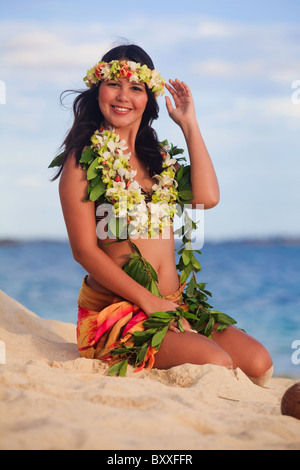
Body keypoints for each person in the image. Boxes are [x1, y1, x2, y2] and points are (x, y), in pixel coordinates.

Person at [52, 43, 273, 385]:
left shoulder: (159, 162)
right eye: (114, 84)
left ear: (148, 98)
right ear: (98, 89)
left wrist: (188, 124)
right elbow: (84, 251)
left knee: (258, 362)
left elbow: (207, 197)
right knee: (216, 364)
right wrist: (149, 302)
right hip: (118, 311)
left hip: (173, 303)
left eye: (135, 88)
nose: (123, 95)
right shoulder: (82, 161)